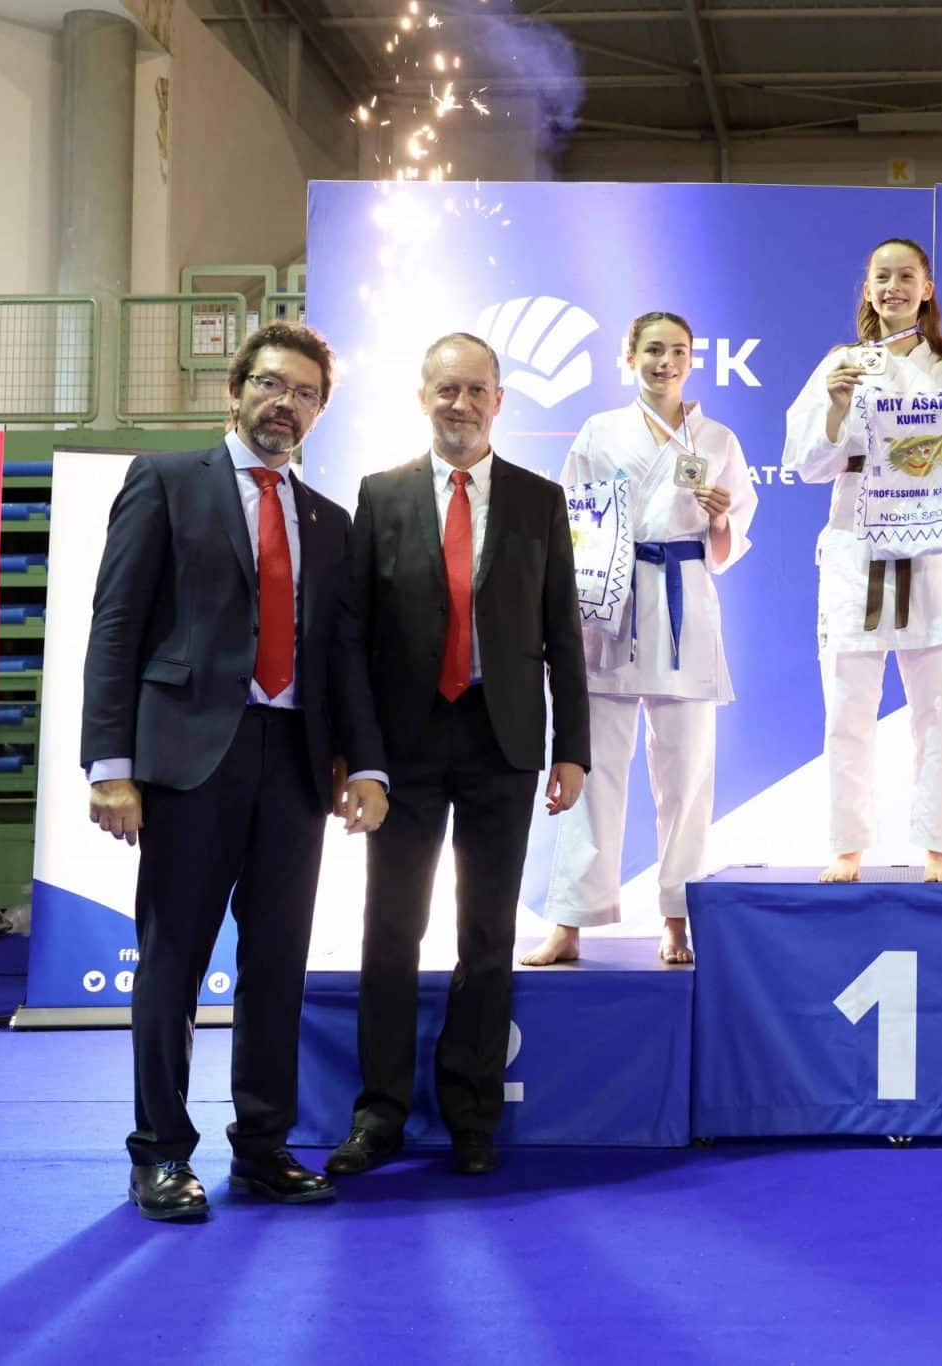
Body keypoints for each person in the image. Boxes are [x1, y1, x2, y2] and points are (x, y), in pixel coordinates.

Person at [82, 322, 388, 1221]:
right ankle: (159, 1155)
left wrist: (366, 764)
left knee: (276, 967)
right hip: (187, 763)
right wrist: (110, 765)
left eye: (304, 393)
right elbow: (116, 624)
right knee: (172, 963)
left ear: (320, 412)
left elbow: (344, 655)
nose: (285, 403)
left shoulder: (329, 520)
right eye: (270, 384)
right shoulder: (166, 481)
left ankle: (262, 1147)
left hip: (294, 765)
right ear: (236, 389)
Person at [326, 333, 590, 1178]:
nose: (461, 404)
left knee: (486, 933)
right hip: (402, 746)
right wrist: (357, 755)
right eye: (447, 389)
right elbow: (352, 637)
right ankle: (379, 1114)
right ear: (423, 397)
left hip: (501, 741)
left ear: (499, 401)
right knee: (390, 929)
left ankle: (472, 1116)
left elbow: (562, 634)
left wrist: (572, 748)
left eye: (476, 390)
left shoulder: (539, 500)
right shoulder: (381, 494)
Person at [526, 312, 757, 969]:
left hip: (683, 601)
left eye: (678, 351)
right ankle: (570, 920)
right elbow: (572, 522)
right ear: (630, 357)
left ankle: (677, 917)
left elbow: (731, 538)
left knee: (686, 777)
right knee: (592, 769)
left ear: (692, 359)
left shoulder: (717, 438)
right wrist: (573, 609)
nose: (666, 362)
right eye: (653, 350)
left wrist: (720, 521)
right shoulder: (600, 433)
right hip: (611, 604)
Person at [782, 237, 942, 884]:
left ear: (926, 289)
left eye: (906, 276)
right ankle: (847, 845)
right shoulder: (841, 366)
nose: (893, 287)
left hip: (933, 551)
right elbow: (803, 465)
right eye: (882, 277)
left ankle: (939, 846)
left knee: (940, 709)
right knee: (847, 707)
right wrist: (835, 406)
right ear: (867, 289)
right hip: (858, 546)